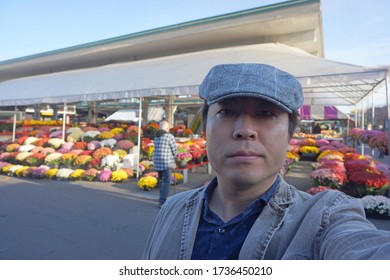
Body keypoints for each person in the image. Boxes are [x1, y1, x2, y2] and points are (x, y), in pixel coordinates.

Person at [143, 63, 390, 260]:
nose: (244, 130)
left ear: (290, 135)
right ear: (205, 129)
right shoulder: (172, 210)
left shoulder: (324, 220)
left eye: (266, 114)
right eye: (226, 112)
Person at [153, 120, 178, 208]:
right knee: (166, 181)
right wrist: (176, 156)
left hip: (157, 162)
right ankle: (162, 201)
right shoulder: (169, 136)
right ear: (167, 128)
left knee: (161, 181)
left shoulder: (156, 136)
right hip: (166, 163)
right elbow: (174, 149)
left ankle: (161, 197)